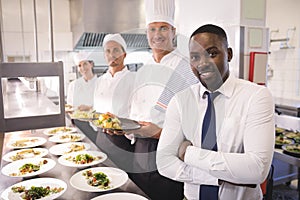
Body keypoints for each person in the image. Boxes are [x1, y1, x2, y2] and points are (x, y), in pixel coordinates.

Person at [156, 24, 275, 200]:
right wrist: (219, 178)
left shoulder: (256, 97)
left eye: (212, 53)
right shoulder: (180, 101)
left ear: (229, 54)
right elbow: (164, 162)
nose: (203, 63)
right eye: (195, 57)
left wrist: (188, 153)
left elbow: (257, 170)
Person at [103, 0, 198, 199]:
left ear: (173, 31)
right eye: (152, 29)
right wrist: (120, 125)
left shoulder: (187, 69)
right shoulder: (143, 70)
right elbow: (134, 113)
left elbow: (195, 125)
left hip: (169, 153)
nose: (157, 34)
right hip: (139, 151)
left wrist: (158, 133)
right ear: (146, 33)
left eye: (163, 28)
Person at [93, 33, 136, 171]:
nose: (112, 54)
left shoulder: (134, 79)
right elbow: (96, 111)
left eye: (116, 50)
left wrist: (124, 128)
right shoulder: (100, 81)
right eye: (108, 51)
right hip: (101, 137)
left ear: (124, 54)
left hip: (123, 140)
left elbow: (138, 114)